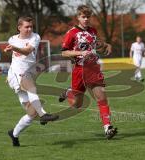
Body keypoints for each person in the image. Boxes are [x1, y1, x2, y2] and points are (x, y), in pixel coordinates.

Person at [59, 5, 117, 139]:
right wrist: (80, 52)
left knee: (102, 97)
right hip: (79, 70)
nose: (86, 19)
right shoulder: (72, 33)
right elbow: (64, 52)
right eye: (83, 17)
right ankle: (68, 92)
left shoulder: (93, 31)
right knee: (76, 104)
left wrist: (107, 45)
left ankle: (107, 128)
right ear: (78, 17)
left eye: (88, 17)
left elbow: (97, 44)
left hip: (93, 68)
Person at [4, 16, 59, 147]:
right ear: (19, 28)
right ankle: (43, 114)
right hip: (18, 75)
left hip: (26, 73)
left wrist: (13, 49)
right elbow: (15, 58)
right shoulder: (12, 39)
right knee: (31, 86)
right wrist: (10, 74)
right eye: (26, 27)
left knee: (31, 113)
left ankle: (14, 133)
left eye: (31, 26)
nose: (29, 29)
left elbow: (27, 51)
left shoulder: (35, 37)